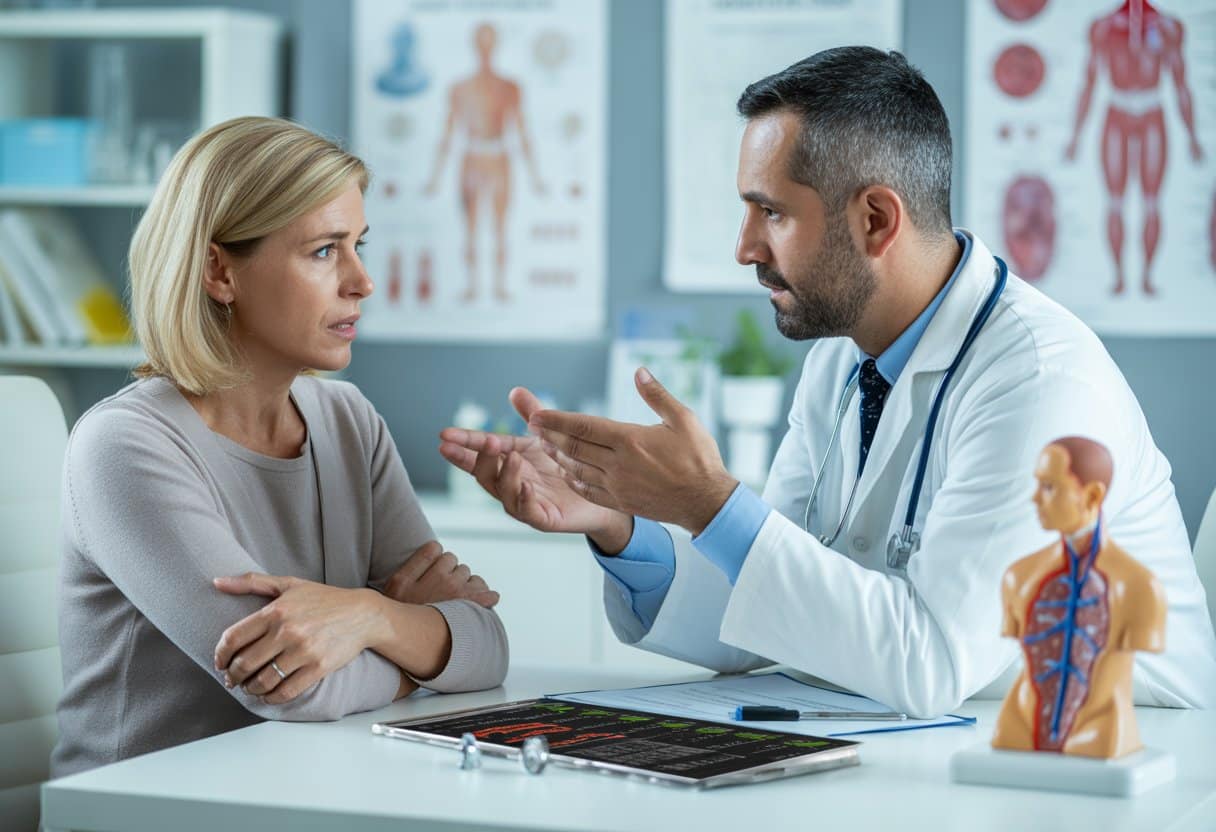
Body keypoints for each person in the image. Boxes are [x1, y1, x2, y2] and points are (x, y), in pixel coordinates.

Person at [440, 47, 1216, 717]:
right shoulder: (842, 363)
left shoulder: (1040, 382)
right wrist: (619, 522)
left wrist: (712, 505)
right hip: (932, 737)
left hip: (1115, 760)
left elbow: (930, 658)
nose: (744, 247)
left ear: (877, 220)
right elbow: (771, 608)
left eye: (769, 212)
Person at [52, 117, 509, 777]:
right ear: (219, 271)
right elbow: (293, 688)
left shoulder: (348, 420)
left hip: (300, 792)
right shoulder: (125, 446)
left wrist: (367, 616)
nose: (362, 281)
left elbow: (487, 645)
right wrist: (412, 633)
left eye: (360, 245)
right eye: (325, 249)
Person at [993, 437, 1165, 758]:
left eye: (1049, 487)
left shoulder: (1140, 587)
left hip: (1100, 731)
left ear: (1092, 495)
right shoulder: (1017, 578)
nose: (1034, 499)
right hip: (1018, 725)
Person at [1064, 0, 1203, 296]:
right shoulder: (1102, 27)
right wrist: (1075, 136)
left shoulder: (1168, 27)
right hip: (1117, 111)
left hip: (1152, 112)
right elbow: (1088, 81)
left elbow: (1181, 82)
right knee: (1115, 201)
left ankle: (1147, 277)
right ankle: (1119, 277)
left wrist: (1192, 136)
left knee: (1151, 201)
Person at [423, 22, 546, 303]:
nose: (485, 46)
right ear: (474, 44)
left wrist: (536, 176)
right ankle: (472, 286)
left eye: (490, 40)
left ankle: (499, 285)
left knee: (501, 227)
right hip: (473, 159)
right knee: (471, 227)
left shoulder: (510, 87)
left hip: (499, 159)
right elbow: (448, 132)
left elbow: (523, 130)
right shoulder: (460, 88)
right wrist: (435, 178)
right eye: (481, 39)